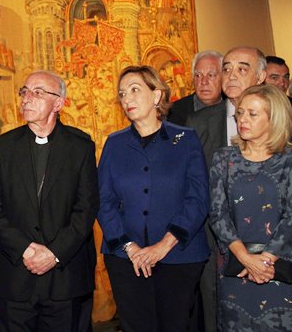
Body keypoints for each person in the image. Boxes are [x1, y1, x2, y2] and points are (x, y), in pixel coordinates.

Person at [0, 70, 99, 331]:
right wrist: (25, 248)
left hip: (65, 279)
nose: (26, 98)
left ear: (58, 103)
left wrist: (54, 253)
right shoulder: (2, 148)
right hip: (14, 277)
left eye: (37, 92)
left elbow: (86, 208)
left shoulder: (80, 147)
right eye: (24, 91)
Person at [97, 66, 210, 331]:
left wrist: (162, 246)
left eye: (135, 90)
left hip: (179, 256)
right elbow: (103, 201)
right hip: (127, 260)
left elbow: (198, 198)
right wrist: (130, 247)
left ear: (157, 95)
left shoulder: (186, 140)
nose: (127, 99)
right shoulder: (114, 143)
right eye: (122, 94)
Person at [186, 46, 267, 332]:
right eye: (227, 69)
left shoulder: (285, 119)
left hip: (272, 250)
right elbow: (193, 188)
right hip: (214, 245)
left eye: (242, 69)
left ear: (261, 76)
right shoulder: (198, 123)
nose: (231, 76)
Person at [209, 84, 292, 331]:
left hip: (281, 270)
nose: (242, 119)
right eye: (241, 112)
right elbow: (217, 213)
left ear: (274, 118)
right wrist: (246, 259)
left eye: (252, 114)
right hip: (235, 267)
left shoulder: (288, 161)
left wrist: (264, 262)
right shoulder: (223, 158)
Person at [167, 50, 223, 126]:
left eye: (211, 75)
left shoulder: (235, 108)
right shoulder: (174, 113)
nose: (204, 82)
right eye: (198, 75)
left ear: (223, 77)